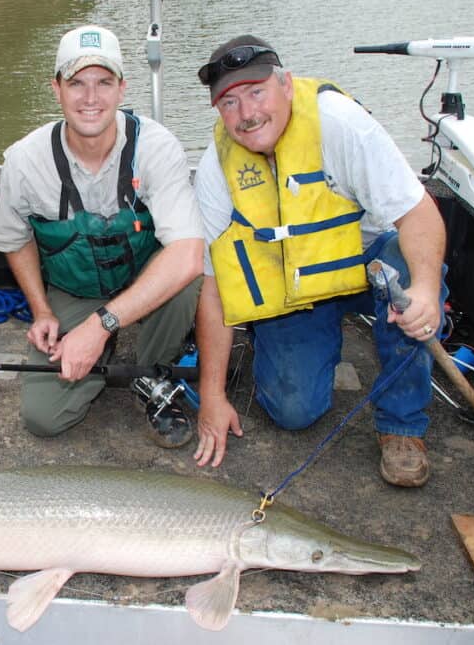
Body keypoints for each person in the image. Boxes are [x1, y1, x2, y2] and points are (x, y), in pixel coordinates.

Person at [191, 35, 448, 487]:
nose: (247, 114)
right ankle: (312, 347)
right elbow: (214, 286)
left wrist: (426, 289)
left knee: (407, 272)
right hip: (295, 285)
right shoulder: (217, 166)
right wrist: (211, 395)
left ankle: (402, 426)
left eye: (256, 92)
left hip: (367, 264)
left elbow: (418, 213)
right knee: (293, 411)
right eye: (229, 103)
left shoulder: (342, 124)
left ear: (286, 84)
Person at [0, 25, 204, 448]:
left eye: (104, 82)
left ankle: (152, 376)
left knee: (189, 275)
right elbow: (15, 240)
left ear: (122, 88)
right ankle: (96, 350)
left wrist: (101, 325)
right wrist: (42, 312)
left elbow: (187, 255)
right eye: (77, 84)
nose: (91, 98)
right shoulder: (23, 161)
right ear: (56, 89)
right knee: (43, 417)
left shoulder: (158, 148)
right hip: (77, 288)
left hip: (146, 281)